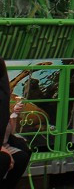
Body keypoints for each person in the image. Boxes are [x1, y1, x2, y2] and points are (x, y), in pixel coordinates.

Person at [1, 59, 29, 189]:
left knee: (22, 156)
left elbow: (11, 131)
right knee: (4, 159)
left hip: (5, 144)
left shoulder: (3, 101)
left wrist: (14, 114)